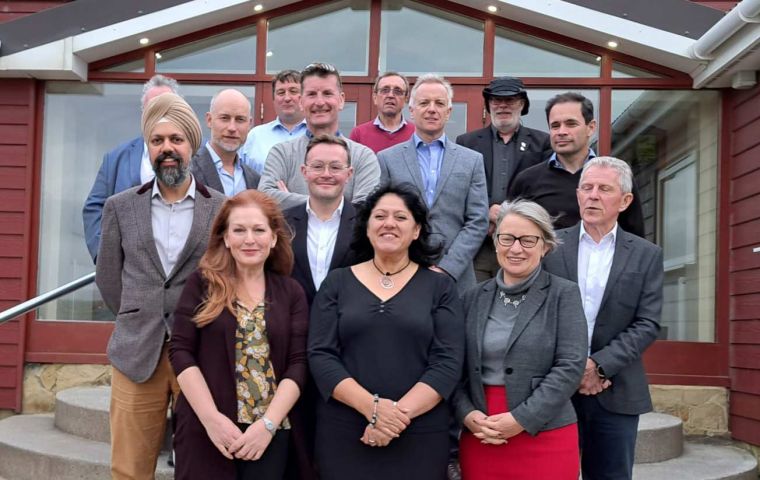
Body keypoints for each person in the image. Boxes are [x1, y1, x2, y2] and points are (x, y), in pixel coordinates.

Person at [95, 93, 225, 480]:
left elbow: (227, 277)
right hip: (137, 354)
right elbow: (108, 277)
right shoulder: (120, 207)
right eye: (157, 141)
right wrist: (137, 313)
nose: (167, 149)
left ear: (192, 146)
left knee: (202, 466)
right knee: (130, 468)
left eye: (176, 140)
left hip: (202, 354)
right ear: (148, 148)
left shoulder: (220, 208)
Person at [308, 183, 465, 480]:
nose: (389, 223)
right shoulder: (337, 283)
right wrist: (374, 409)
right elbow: (321, 355)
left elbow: (447, 361)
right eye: (379, 216)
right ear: (367, 227)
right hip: (346, 430)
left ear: (417, 230)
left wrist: (393, 418)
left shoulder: (440, 286)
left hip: (419, 432)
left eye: (401, 217)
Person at [170, 189, 310, 480]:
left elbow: (298, 364)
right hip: (208, 429)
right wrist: (212, 421)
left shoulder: (291, 292)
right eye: (239, 230)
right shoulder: (202, 284)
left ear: (273, 238)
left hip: (271, 435)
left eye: (259, 230)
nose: (249, 239)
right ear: (225, 237)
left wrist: (268, 425)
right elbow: (181, 352)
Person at [543, 156, 663, 480]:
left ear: (625, 201)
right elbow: (537, 313)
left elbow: (647, 322)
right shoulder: (549, 246)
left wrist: (598, 365)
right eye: (587, 187)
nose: (593, 195)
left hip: (617, 388)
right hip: (553, 388)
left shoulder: (646, 254)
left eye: (604, 189)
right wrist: (572, 365)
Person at [452, 199, 587, 480]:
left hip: (545, 432)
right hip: (482, 432)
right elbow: (452, 367)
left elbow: (570, 366)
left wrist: (521, 420)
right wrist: (466, 414)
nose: (516, 248)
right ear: (496, 242)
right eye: (507, 238)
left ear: (545, 246)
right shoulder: (471, 298)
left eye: (527, 240)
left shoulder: (564, 294)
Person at [378, 73, 488, 292]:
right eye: (424, 102)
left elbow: (478, 221)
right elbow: (381, 217)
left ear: (448, 112)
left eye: (439, 103)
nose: (431, 109)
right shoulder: (387, 159)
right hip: (401, 273)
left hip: (456, 278)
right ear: (411, 110)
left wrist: (448, 268)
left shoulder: (472, 160)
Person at [456, 77, 552, 282]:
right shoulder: (467, 142)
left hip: (524, 244)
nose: (502, 106)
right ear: (488, 105)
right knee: (479, 304)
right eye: (496, 101)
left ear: (522, 104)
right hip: (482, 244)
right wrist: (486, 211)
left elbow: (544, 191)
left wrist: (510, 215)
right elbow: (460, 191)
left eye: (510, 100)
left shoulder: (543, 142)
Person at [509, 92, 645, 237]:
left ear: (591, 127)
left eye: (571, 124)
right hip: (546, 259)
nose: (561, 132)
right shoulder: (527, 180)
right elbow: (513, 234)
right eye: (555, 126)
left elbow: (634, 235)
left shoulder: (615, 177)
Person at [83, 74, 179, 261]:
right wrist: (104, 256)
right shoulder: (115, 159)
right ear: (143, 112)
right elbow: (94, 208)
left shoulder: (197, 154)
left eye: (166, 108)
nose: (159, 114)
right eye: (152, 107)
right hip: (130, 270)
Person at [259, 63, 380, 210]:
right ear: (301, 102)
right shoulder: (282, 153)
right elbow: (265, 197)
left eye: (327, 93)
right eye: (311, 94)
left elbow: (365, 209)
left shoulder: (363, 157)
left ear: (341, 100)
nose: (320, 102)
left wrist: (290, 201)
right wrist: (334, 204)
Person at [284, 134, 358, 305]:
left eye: (335, 167)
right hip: (295, 325)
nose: (326, 174)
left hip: (347, 327)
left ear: (349, 174)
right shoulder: (281, 224)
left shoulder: (366, 225)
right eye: (317, 166)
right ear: (304, 172)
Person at [191, 88, 260, 195]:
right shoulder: (187, 169)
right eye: (224, 118)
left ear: (249, 124)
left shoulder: (255, 180)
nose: (232, 128)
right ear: (209, 120)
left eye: (240, 119)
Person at [240, 70, 307, 173]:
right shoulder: (255, 136)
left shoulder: (318, 135)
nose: (287, 98)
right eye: (281, 92)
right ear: (274, 99)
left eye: (293, 91)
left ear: (304, 96)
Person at [349, 72, 415, 153]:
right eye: (385, 90)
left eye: (397, 91)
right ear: (375, 97)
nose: (390, 95)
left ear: (406, 99)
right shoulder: (359, 134)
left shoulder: (416, 134)